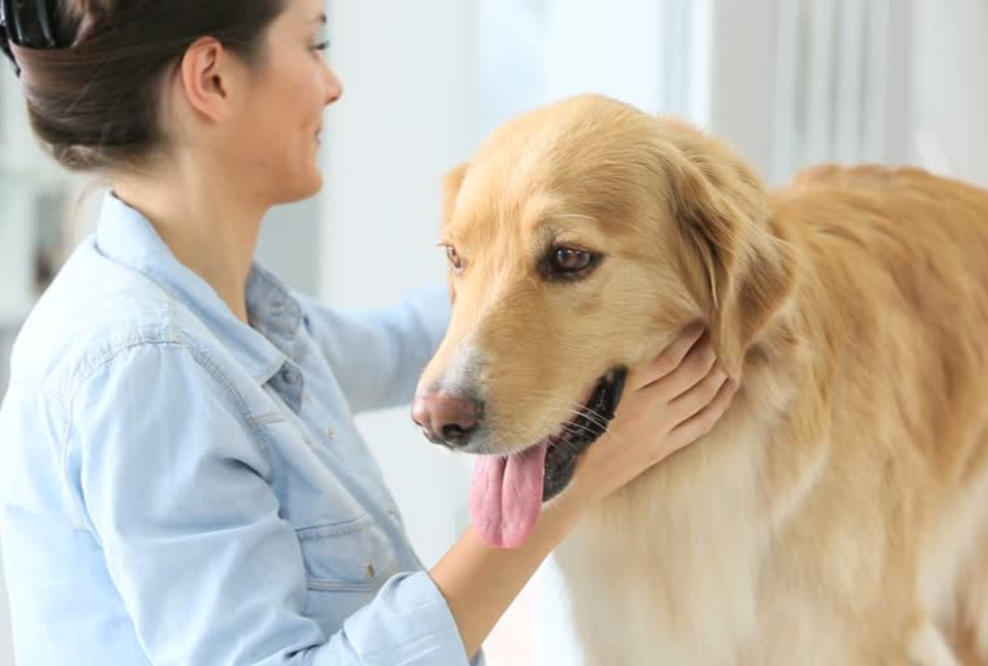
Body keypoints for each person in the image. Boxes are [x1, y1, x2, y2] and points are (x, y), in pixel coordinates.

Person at [0, 0, 738, 663]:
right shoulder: (144, 369)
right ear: (213, 79)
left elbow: (409, 340)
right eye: (314, 43)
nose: (333, 84)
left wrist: (648, 215)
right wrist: (580, 481)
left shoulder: (234, 314)